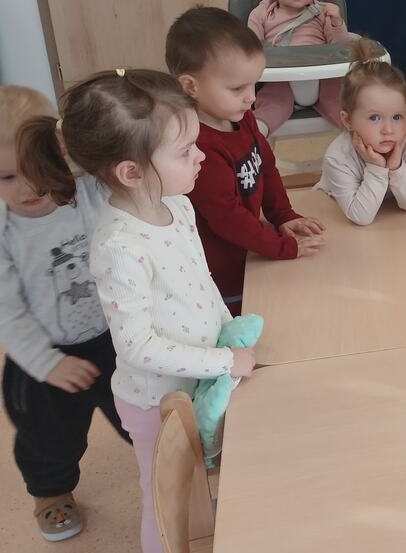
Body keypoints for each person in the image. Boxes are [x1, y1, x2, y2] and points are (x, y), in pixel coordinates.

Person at [18, 70, 256, 553]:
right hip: (156, 403)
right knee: (164, 499)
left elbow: (202, 286)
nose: (201, 156)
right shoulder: (119, 246)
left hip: (200, 376)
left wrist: (230, 337)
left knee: (209, 482)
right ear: (131, 171)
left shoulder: (178, 204)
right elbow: (136, 345)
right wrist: (223, 363)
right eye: (185, 150)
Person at [0, 86, 129, 543]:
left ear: (62, 151)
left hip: (113, 338)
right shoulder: (7, 232)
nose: (29, 187)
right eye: (7, 177)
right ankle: (50, 493)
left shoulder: (87, 191)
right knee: (46, 437)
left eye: (39, 169)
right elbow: (7, 313)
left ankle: (165, 457)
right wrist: (46, 364)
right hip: (44, 358)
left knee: (139, 409)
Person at [167, 6, 325, 315]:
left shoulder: (241, 117)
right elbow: (228, 219)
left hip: (253, 253)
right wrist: (282, 246)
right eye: (237, 88)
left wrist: (282, 215)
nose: (250, 97)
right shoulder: (199, 148)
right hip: (222, 277)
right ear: (190, 86)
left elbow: (265, 165)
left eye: (254, 84)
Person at [246, 0, 354, 135]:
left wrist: (337, 23)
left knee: (339, 101)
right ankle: (256, 133)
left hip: (323, 77)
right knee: (273, 103)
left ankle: (356, 133)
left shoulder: (322, 12)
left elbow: (341, 49)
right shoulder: (261, 14)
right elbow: (248, 49)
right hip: (281, 79)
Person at [315, 39, 406, 224]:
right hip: (334, 212)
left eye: (397, 117)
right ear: (347, 120)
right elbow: (361, 217)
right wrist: (376, 167)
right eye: (375, 118)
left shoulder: (405, 144)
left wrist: (396, 167)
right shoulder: (337, 157)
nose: (388, 130)